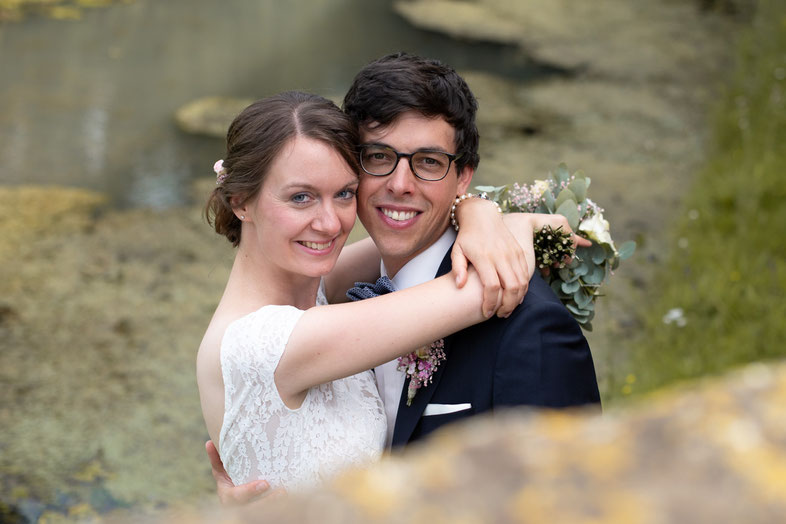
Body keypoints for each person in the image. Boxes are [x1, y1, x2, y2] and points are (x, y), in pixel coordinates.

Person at [207, 53, 601, 504]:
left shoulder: (533, 332)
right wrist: (516, 226)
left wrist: (482, 212)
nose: (399, 184)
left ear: (462, 177)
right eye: (378, 156)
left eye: (429, 162)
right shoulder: (277, 329)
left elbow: (573, 502)